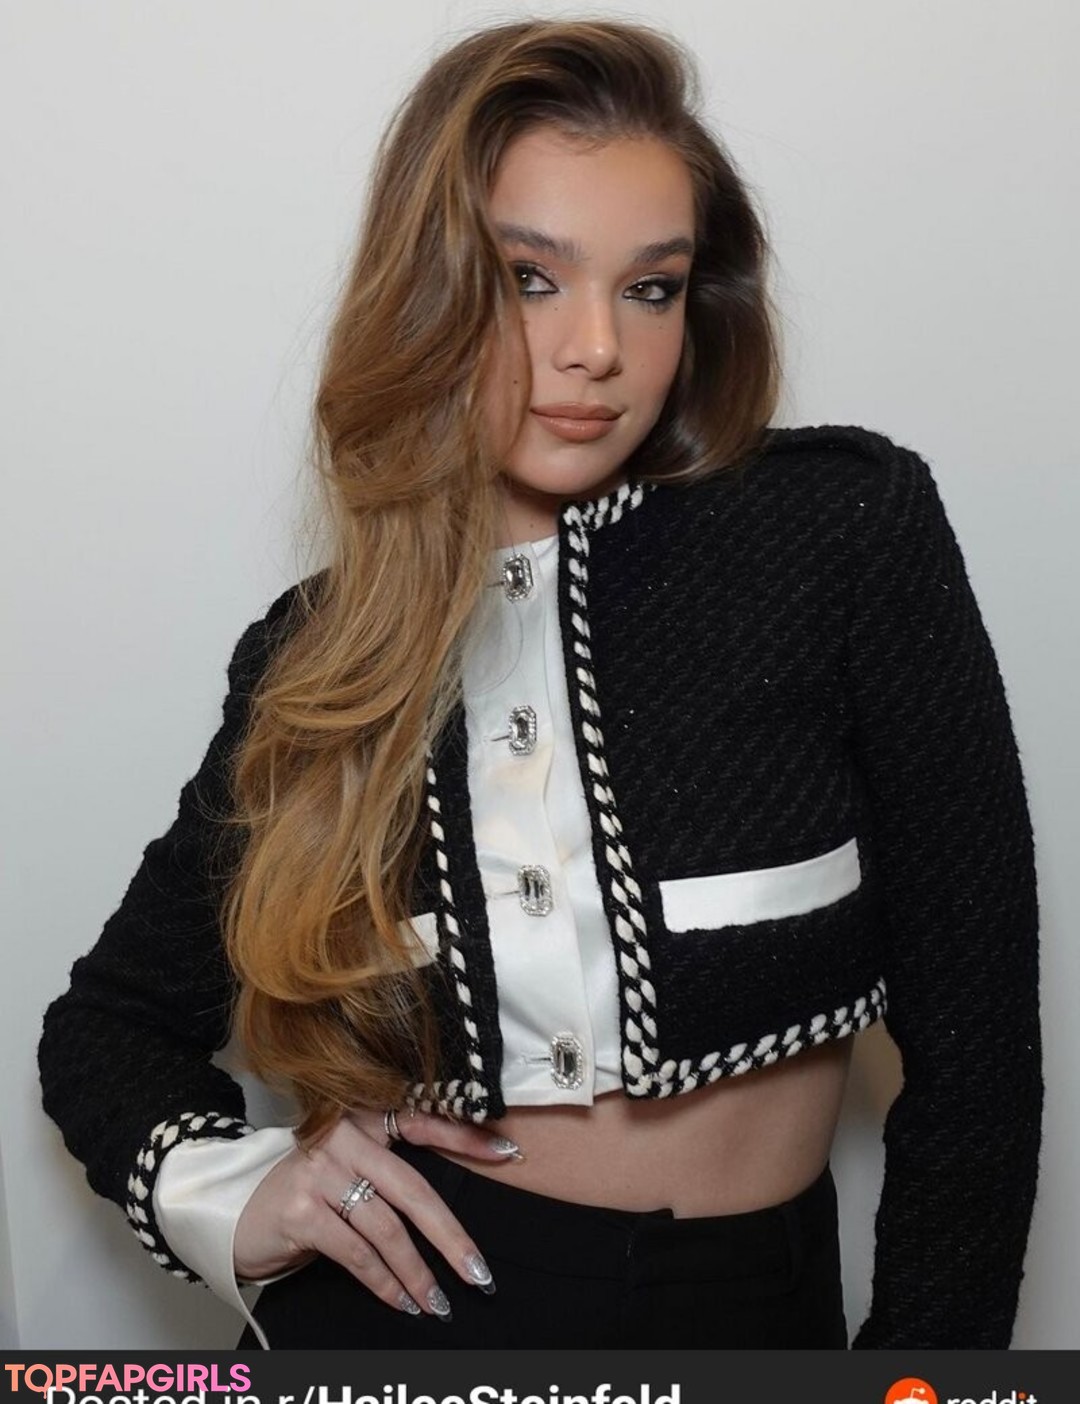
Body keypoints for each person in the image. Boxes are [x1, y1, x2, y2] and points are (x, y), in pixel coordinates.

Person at [38, 17, 1042, 1350]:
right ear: (433, 290)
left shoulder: (840, 533)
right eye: (530, 278)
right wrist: (240, 1195)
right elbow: (106, 1030)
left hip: (756, 1313)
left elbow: (979, 1048)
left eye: (650, 288)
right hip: (405, 1315)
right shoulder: (321, 655)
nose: (595, 349)